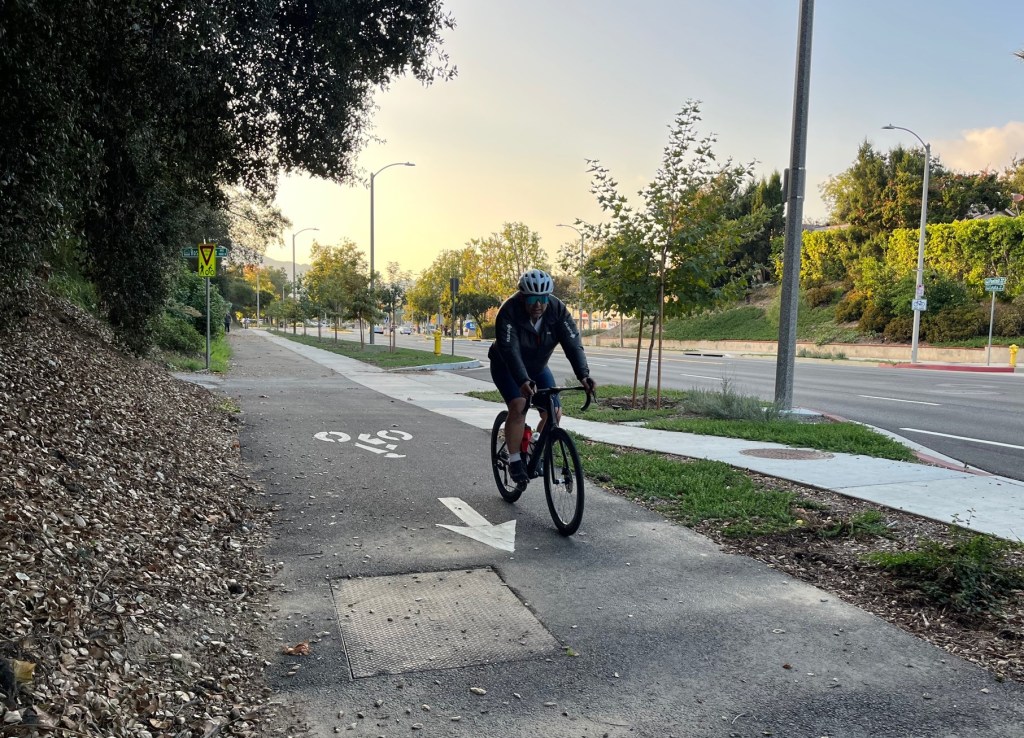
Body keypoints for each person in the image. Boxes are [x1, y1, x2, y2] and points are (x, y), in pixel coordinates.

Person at [488, 269, 596, 484]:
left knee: (554, 412)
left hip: (537, 367)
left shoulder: (558, 310)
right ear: (523, 297)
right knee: (519, 406)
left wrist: (583, 375)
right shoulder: (509, 311)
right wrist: (522, 381)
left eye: (543, 298)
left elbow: (573, 344)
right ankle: (516, 459)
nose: (538, 304)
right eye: (533, 298)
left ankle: (536, 450)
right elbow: (510, 351)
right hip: (507, 366)